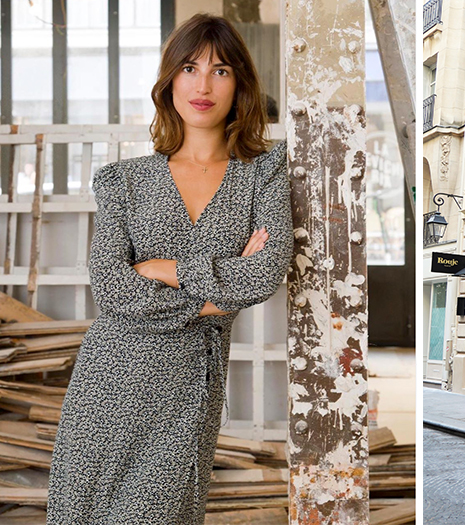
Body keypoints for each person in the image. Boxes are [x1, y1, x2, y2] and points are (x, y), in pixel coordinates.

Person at [47, 14, 292, 523]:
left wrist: (167, 268)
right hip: (109, 380)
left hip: (189, 389)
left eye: (221, 70)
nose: (203, 84)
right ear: (169, 82)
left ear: (240, 83)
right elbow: (113, 289)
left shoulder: (263, 172)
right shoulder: (123, 181)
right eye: (189, 67)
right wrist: (217, 293)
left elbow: (265, 274)